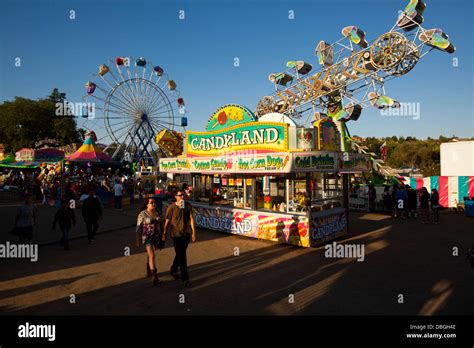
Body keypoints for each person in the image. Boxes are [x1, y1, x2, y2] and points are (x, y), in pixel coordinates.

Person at [162, 190, 196, 288]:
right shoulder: (171, 207)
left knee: (180, 254)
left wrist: (193, 232)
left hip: (186, 235)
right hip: (176, 235)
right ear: (176, 196)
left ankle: (173, 269)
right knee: (182, 256)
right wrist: (164, 234)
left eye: (183, 195)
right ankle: (185, 279)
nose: (182, 197)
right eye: (180, 195)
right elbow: (167, 222)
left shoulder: (188, 205)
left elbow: (191, 218)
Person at [136, 198, 163, 286]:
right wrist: (138, 239)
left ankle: (148, 271)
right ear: (147, 204)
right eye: (151, 203)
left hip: (156, 236)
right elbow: (138, 227)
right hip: (147, 237)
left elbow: (161, 223)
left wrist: (162, 235)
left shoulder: (157, 212)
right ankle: (155, 277)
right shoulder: (142, 214)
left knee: (150, 254)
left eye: (154, 202)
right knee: (152, 255)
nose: (153, 204)